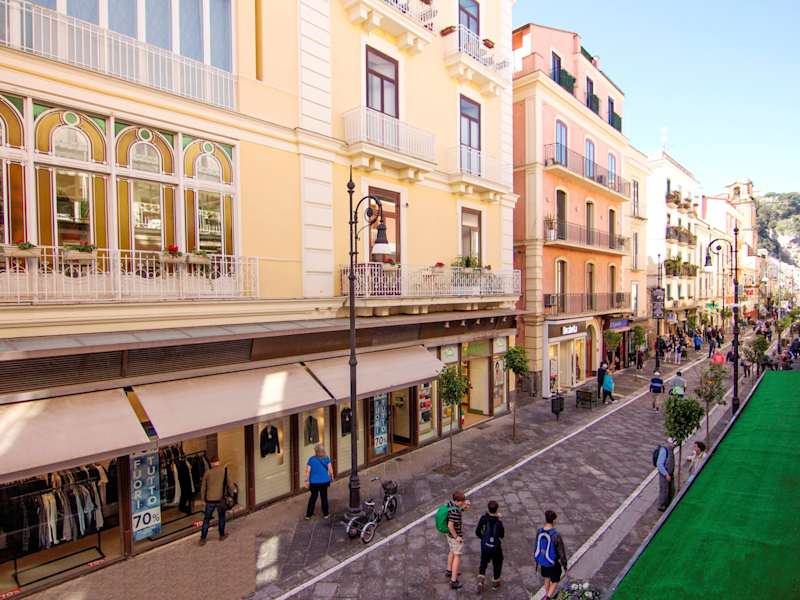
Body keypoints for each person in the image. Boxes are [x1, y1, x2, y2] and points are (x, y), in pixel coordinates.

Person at [534, 510, 568, 600]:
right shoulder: (556, 535)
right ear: (554, 520)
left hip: (543, 561)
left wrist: (537, 560)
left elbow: (536, 546)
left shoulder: (539, 531)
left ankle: (547, 595)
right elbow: (561, 552)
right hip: (553, 562)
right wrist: (564, 565)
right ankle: (548, 597)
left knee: (546, 578)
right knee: (556, 580)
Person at [198, 455, 231, 546]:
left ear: (211, 464)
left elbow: (203, 487)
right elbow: (230, 484)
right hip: (220, 499)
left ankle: (203, 539)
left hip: (210, 500)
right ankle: (221, 535)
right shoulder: (224, 471)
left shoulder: (207, 473)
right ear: (218, 462)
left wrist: (203, 499)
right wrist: (232, 493)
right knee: (221, 517)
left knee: (206, 519)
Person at [475, 500, 504, 593]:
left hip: (485, 546)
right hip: (496, 548)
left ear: (488, 509)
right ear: (496, 510)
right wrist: (499, 520)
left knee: (483, 561)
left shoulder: (483, 518)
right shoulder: (498, 522)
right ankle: (495, 582)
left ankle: (481, 579)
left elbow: (477, 532)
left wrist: (483, 538)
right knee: (497, 562)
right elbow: (502, 535)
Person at [445, 490, 470, 590]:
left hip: (448, 535)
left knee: (451, 551)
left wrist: (464, 506)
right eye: (461, 501)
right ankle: (453, 581)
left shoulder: (450, 504)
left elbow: (458, 510)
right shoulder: (455, 512)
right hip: (454, 536)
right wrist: (457, 537)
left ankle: (449, 570)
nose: (463, 503)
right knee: (457, 556)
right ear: (457, 501)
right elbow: (450, 526)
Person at [304, 444, 333, 520]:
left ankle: (308, 515)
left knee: (313, 497)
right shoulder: (326, 458)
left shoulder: (311, 459)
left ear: (316, 451)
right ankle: (326, 514)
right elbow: (330, 470)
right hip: (324, 481)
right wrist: (331, 476)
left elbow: (308, 471)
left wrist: (307, 480)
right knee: (324, 497)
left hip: (314, 482)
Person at [655, 439, 676, 511]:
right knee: (664, 491)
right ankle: (662, 506)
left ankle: (667, 505)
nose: (675, 446)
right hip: (665, 475)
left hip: (670, 474)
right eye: (674, 444)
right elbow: (659, 464)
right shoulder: (664, 450)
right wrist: (666, 474)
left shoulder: (671, 450)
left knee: (671, 490)